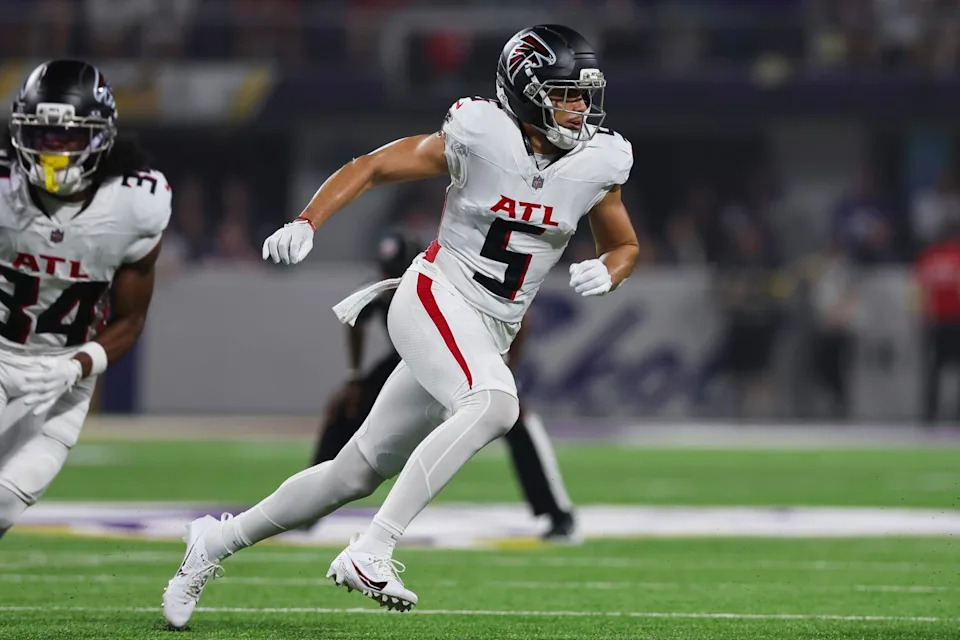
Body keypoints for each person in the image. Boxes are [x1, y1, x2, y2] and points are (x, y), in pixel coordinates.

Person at [163, 24, 637, 626]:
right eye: (564, 93)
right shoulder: (480, 136)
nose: (579, 108)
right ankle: (373, 548)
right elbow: (372, 166)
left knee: (352, 473)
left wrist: (611, 268)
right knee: (496, 404)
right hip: (438, 294)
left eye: (582, 93)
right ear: (524, 91)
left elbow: (623, 243)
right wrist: (309, 221)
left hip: (494, 325)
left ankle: (213, 542)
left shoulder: (596, 160)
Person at [308, 231, 577, 540]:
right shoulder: (384, 286)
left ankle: (558, 513)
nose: (388, 277)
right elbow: (356, 319)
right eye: (385, 270)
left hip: (464, 352)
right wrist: (354, 376)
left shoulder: (449, 278)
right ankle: (310, 504)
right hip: (411, 358)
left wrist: (506, 368)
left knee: (516, 418)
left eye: (394, 270)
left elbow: (522, 317)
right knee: (344, 405)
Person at [0, 60, 170, 538]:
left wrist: (74, 366)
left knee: (5, 505)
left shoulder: (135, 202)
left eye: (68, 138)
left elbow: (131, 319)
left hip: (65, 379)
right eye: (43, 136)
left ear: (101, 137)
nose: (54, 152)